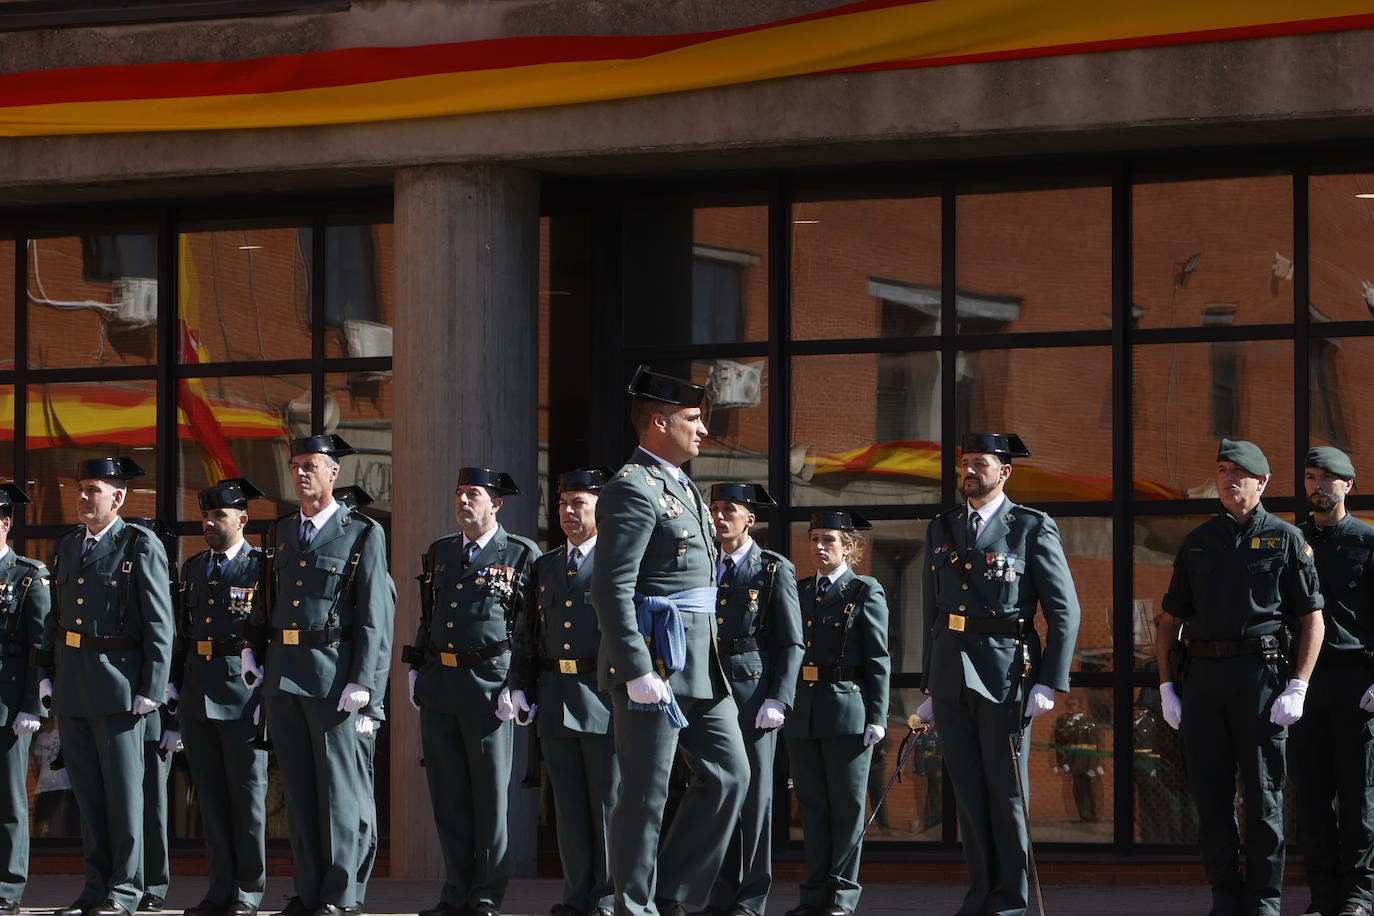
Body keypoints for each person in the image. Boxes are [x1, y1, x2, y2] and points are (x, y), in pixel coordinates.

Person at [591, 366, 746, 916]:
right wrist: (635, 669)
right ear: (659, 421)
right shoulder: (631, 488)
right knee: (645, 792)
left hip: (700, 661)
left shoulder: (683, 486)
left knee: (731, 775)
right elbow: (611, 587)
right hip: (655, 661)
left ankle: (673, 896)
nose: (703, 430)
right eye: (692, 419)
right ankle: (634, 906)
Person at [1155, 438, 1324, 916]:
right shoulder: (1199, 541)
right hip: (1204, 677)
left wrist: (1299, 685)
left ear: (1262, 483)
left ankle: (1265, 900)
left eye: (1239, 473)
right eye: (1223, 471)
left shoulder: (1287, 539)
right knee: (1211, 797)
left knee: (1265, 796)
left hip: (1261, 677)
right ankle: (1225, 898)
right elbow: (1170, 621)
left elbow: (1312, 618)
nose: (1229, 480)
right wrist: (1167, 686)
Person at [920, 433, 1081, 916]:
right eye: (966, 463)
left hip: (1006, 672)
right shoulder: (942, 527)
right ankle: (980, 896)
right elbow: (933, 610)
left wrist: (1050, 681)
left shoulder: (1030, 526)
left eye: (981, 464)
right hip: (951, 674)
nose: (970, 471)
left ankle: (1009, 902)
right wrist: (930, 682)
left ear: (1004, 472)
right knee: (969, 793)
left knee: (1006, 793)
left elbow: (1063, 611)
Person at [241, 435, 393, 916]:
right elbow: (269, 602)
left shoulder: (362, 532)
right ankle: (307, 890)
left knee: (339, 794)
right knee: (300, 793)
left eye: (311, 465)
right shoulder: (283, 532)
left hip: (333, 678)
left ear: (334, 473)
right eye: (296, 465)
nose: (302, 473)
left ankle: (340, 894)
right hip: (285, 676)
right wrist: (253, 652)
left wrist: (365, 681)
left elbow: (373, 615)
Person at [403, 467, 539, 916]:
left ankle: (485, 894)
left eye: (473, 494)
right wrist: (416, 665)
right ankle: (454, 893)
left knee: (488, 799)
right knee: (449, 797)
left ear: (496, 504)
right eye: (459, 493)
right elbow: (430, 614)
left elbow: (528, 628)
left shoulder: (520, 553)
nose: (463, 501)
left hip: (489, 688)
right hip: (441, 686)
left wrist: (516, 684)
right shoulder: (441, 552)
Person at [44, 457, 174, 916]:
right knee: (90, 797)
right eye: (80, 488)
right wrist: (50, 676)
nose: (82, 497)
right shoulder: (66, 546)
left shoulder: (139, 544)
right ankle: (96, 887)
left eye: (92, 489)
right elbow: (57, 621)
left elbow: (160, 622)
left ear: (118, 497)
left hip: (122, 687)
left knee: (125, 797)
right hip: (76, 684)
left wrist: (152, 686)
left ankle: (126, 889)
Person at [510, 467, 618, 916]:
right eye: (563, 503)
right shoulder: (546, 564)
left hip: (604, 698)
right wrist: (520, 686)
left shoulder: (618, 561)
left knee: (608, 806)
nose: (569, 512)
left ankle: (608, 897)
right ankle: (576, 896)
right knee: (568, 808)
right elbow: (527, 631)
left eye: (579, 503)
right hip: (555, 696)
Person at [783, 511, 889, 916]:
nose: (819, 547)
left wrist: (878, 716)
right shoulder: (799, 589)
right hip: (804, 711)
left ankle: (842, 897)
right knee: (811, 806)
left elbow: (878, 657)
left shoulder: (864, 590)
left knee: (845, 808)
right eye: (814, 539)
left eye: (828, 539)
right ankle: (813, 895)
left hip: (848, 710)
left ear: (849, 546)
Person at [703, 483, 802, 916]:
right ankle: (721, 893)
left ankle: (750, 898)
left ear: (749, 519)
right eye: (714, 510)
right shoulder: (704, 566)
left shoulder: (773, 569)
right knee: (719, 793)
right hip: (708, 688)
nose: (718, 518)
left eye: (729, 510)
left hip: (752, 693)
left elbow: (791, 642)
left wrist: (778, 698)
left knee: (755, 799)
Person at [173, 478, 269, 916]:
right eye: (205, 516)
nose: (209, 523)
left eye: (219, 516)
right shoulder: (193, 567)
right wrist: (174, 683)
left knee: (246, 797)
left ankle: (248, 891)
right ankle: (219, 889)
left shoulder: (261, 567)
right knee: (210, 797)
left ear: (243, 519)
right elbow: (181, 632)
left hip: (242, 694)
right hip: (198, 692)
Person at [1293, 446, 1374, 916]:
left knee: (1359, 795)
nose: (1317, 487)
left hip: (1356, 681)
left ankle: (1358, 896)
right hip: (1306, 682)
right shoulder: (1291, 539)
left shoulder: (1367, 541)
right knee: (1314, 796)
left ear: (1348, 485)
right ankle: (1322, 897)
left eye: (1327, 479)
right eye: (1309, 477)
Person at [0, 483, 52, 915]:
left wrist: (32, 704)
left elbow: (40, 644)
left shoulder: (28, 574)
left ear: (5, 523)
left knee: (9, 798)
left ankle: (8, 887)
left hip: (7, 696)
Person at [125, 518, 180, 914]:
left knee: (152, 801)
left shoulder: (173, 588)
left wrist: (175, 719)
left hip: (158, 707)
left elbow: (175, 650)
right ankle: (133, 878)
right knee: (130, 799)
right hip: (130, 702)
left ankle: (153, 884)